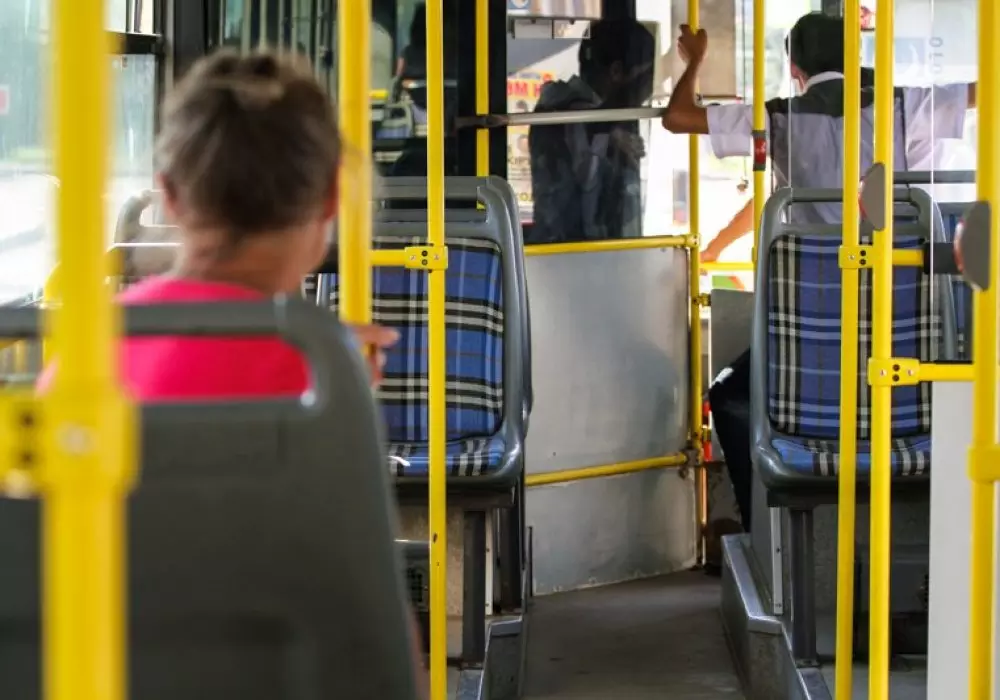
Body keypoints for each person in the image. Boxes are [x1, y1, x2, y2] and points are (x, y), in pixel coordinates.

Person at [36, 50, 424, 691]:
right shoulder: (316, 375)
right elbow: (369, 623)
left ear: (169, 195)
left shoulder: (83, 351)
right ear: (332, 196)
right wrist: (340, 392)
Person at [662, 12, 977, 531]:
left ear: (796, 69)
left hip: (813, 333)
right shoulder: (905, 105)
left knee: (729, 396)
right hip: (902, 329)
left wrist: (695, 60)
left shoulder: (777, 118)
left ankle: (763, 527)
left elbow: (678, 117)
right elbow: (980, 92)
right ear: (856, 56)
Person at [527, 19, 655, 244]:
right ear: (616, 71)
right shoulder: (582, 118)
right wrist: (611, 136)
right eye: (646, 76)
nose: (648, 88)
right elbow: (589, 183)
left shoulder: (557, 107)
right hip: (576, 252)